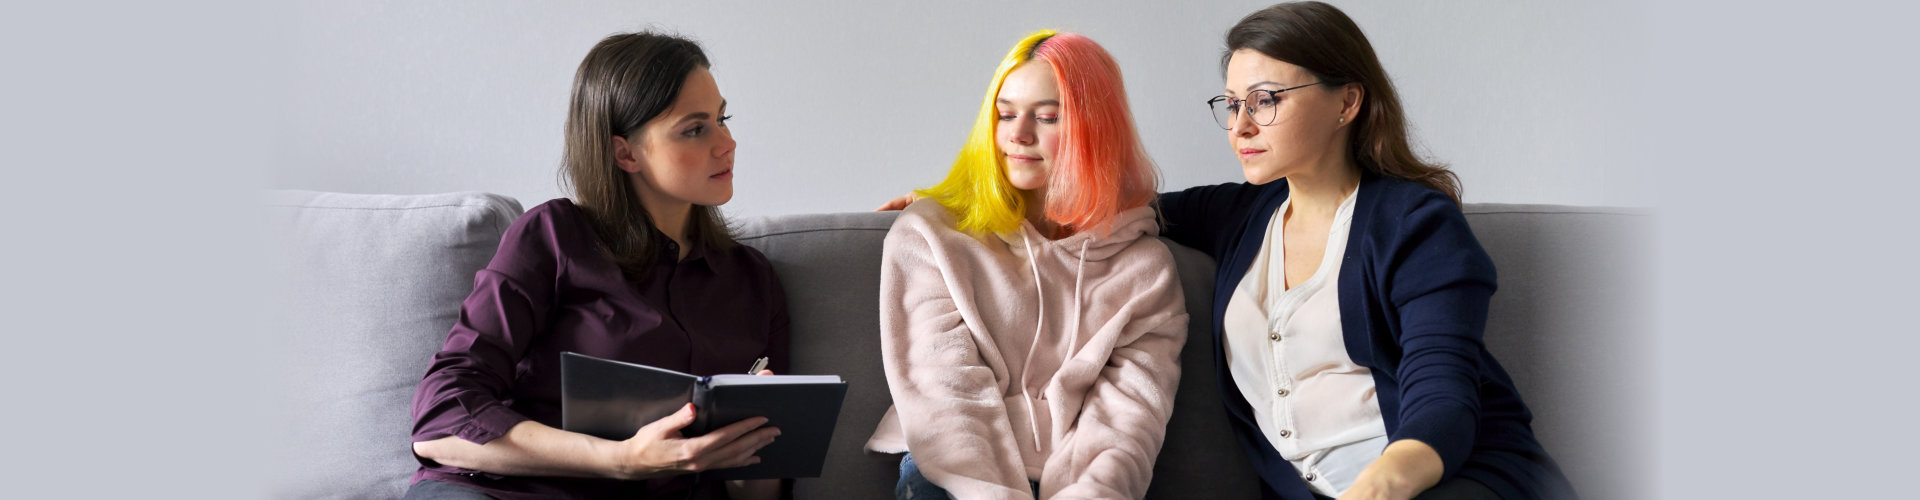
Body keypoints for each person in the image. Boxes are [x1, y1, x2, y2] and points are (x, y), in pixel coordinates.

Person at [1158, 3, 1577, 499]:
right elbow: (1108, 205)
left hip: (1448, 480)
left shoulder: (1417, 224)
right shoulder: (1238, 215)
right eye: (1231, 104)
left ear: (1347, 102)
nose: (1241, 125)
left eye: (1265, 99)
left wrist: (1382, 484)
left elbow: (1442, 396)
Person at [404, 32, 788, 500]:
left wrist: (753, 442)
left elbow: (759, 490)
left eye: (722, 119)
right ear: (625, 153)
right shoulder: (553, 236)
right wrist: (621, 460)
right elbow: (439, 421)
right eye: (695, 128)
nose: (727, 142)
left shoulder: (752, 280)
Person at [864, 30, 1188, 500]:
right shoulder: (931, 234)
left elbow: (1127, 419)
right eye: (1005, 114)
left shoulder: (1146, 268)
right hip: (950, 474)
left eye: (1048, 116)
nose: (1017, 135)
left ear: (1096, 128)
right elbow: (945, 393)